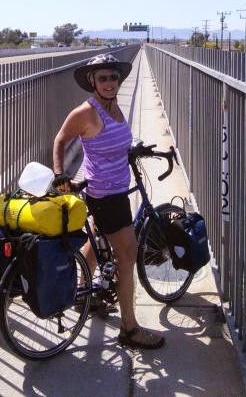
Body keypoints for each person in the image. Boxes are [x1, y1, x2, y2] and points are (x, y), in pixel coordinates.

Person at [53, 53, 165, 349]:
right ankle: (129, 328)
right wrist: (59, 173)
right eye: (102, 78)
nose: (110, 82)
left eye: (113, 77)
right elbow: (60, 140)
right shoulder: (87, 113)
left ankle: (82, 294)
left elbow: (114, 141)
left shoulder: (113, 108)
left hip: (105, 190)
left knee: (95, 237)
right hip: (108, 196)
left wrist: (131, 150)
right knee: (126, 258)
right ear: (92, 81)